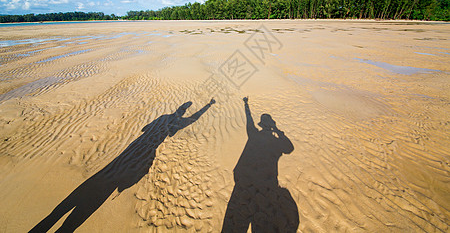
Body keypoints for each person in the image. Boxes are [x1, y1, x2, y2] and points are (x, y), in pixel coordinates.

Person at [30, 99, 215, 233]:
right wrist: (208, 105)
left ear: (178, 109)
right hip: (139, 157)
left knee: (63, 208)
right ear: (182, 113)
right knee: (88, 206)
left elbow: (144, 129)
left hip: (127, 154)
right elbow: (194, 119)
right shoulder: (174, 123)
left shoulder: (164, 117)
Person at [222, 97, 298, 233]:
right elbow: (290, 148)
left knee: (233, 225)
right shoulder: (276, 143)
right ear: (271, 126)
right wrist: (277, 130)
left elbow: (249, 119)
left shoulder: (254, 134)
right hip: (265, 189)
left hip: (244, 185)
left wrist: (246, 104)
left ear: (262, 125)